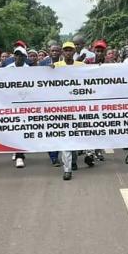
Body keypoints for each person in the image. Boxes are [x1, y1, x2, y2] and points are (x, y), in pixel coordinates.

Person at [54, 41, 86, 180]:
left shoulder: (81, 66)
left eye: (70, 50)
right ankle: (67, 169)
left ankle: (73, 159)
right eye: (65, 50)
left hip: (78, 108)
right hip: (62, 109)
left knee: (76, 137)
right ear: (63, 52)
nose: (68, 52)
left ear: (74, 52)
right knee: (65, 138)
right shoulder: (55, 66)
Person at [7, 46, 30, 168]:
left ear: (25, 57)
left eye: (21, 55)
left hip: (25, 102)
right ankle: (16, 151)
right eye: (16, 54)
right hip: (11, 102)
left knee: (22, 128)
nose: (18, 57)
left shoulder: (29, 70)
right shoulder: (7, 68)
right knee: (14, 128)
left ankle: (19, 154)